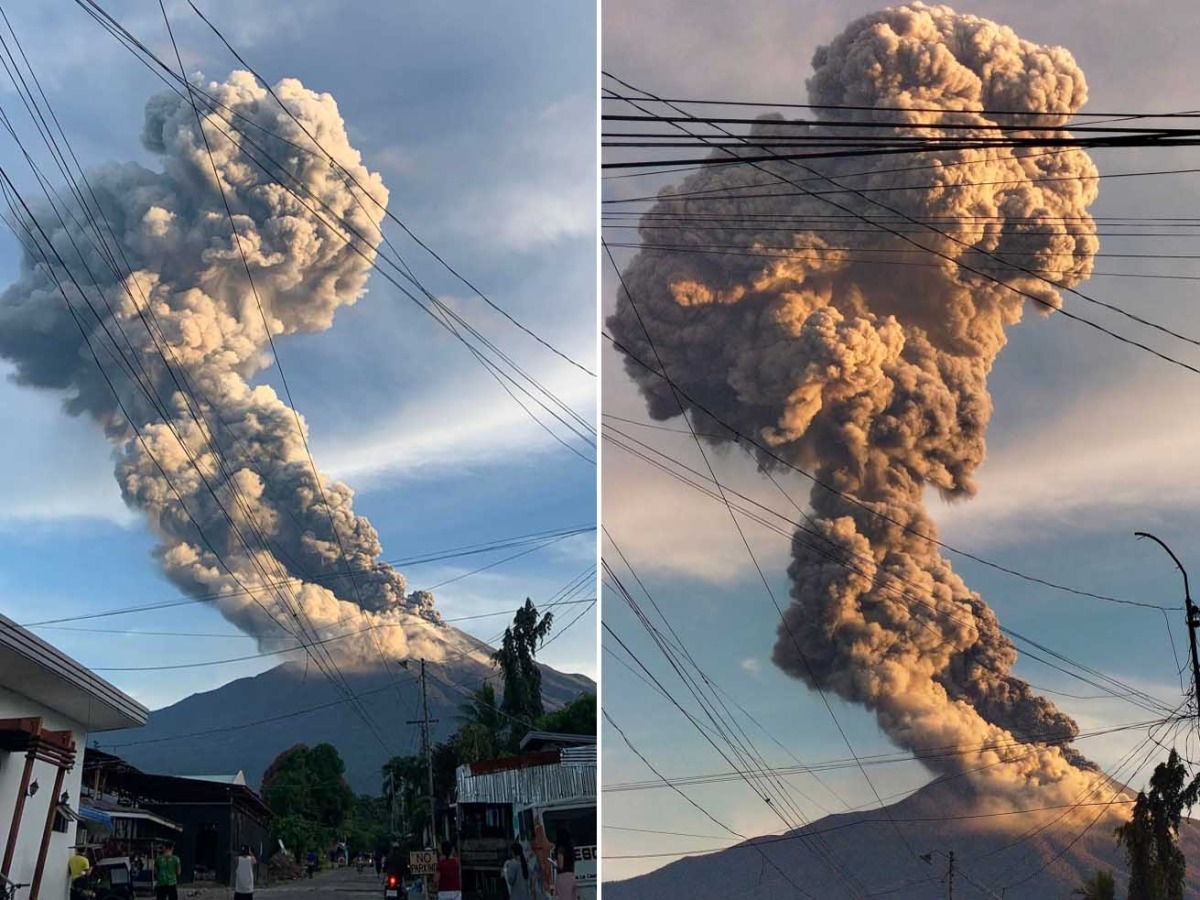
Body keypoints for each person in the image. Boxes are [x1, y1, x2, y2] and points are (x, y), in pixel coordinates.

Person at [554, 827, 576, 900]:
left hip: (563, 876)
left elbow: (560, 865)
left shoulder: (560, 849)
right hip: (572, 876)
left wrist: (554, 864)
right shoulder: (571, 848)